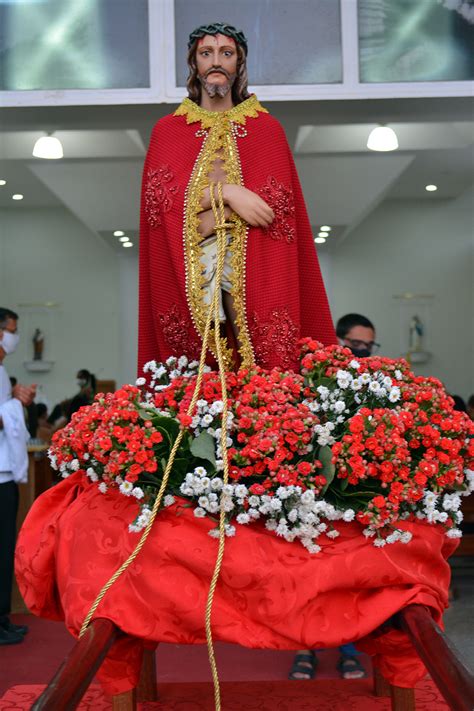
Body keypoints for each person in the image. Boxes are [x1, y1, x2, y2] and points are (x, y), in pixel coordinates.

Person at [138, 22, 335, 375]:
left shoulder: (266, 130)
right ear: (194, 64)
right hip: (193, 263)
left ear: (239, 64)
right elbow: (161, 204)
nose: (216, 61)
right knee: (200, 355)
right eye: (206, 53)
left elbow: (274, 212)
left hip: (254, 264)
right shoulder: (167, 131)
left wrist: (211, 208)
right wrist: (227, 193)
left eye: (226, 54)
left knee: (256, 354)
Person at [289, 313, 378, 680]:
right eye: (356, 344)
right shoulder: (311, 378)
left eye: (368, 347)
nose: (362, 352)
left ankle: (349, 648)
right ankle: (303, 646)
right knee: (306, 572)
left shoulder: (372, 383)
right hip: (311, 489)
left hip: (351, 491)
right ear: (338, 341)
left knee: (348, 574)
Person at [0, 308, 35, 645]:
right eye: (11, 330)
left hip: (5, 471)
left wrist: (14, 401)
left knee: (5, 547)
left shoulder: (1, 369)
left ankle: (2, 618)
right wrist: (14, 405)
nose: (14, 336)